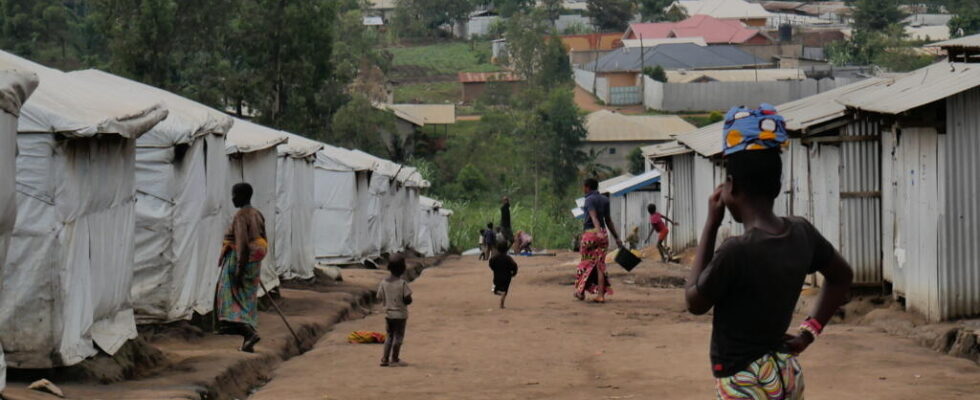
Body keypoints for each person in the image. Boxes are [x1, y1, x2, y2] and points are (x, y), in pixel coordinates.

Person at [685, 104, 853, 399]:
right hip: (785, 373)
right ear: (777, 186)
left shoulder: (736, 250)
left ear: (731, 186)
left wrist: (711, 225)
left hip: (744, 382)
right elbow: (842, 276)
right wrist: (807, 333)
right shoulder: (801, 232)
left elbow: (694, 300)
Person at [215, 182, 268, 353]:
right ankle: (247, 340)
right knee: (247, 299)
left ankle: (248, 333)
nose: (232, 198)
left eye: (234, 195)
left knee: (227, 297)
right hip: (254, 261)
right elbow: (264, 239)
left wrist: (240, 269)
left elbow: (242, 243)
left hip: (240, 260)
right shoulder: (257, 214)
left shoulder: (241, 216)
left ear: (242, 196)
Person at [575, 179, 623, 303]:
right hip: (604, 235)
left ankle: (580, 292)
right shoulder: (605, 200)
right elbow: (608, 220)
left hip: (591, 234)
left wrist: (597, 231)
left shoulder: (589, 199)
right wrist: (616, 237)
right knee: (600, 265)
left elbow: (593, 216)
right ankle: (600, 295)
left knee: (585, 263)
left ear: (587, 187)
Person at [378, 253, 413, 367]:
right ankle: (395, 358)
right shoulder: (402, 283)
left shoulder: (383, 283)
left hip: (388, 315)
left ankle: (384, 358)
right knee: (398, 337)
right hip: (400, 316)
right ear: (403, 269)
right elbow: (408, 299)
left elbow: (379, 297)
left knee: (389, 336)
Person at [488, 241, 519, 309]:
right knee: (505, 290)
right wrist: (514, 273)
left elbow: (490, 264)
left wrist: (495, 269)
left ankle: (500, 294)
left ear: (497, 249)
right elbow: (514, 266)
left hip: (497, 276)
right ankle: (502, 304)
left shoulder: (494, 258)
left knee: (494, 290)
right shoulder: (508, 258)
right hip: (507, 277)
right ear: (506, 249)